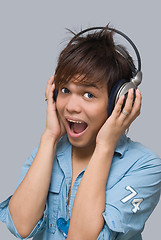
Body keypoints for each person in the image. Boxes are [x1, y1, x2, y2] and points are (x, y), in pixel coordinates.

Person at [0, 25, 161, 240]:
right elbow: (21, 225)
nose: (71, 106)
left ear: (118, 101)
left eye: (88, 94)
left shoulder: (146, 166)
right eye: (65, 90)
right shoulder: (48, 150)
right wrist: (49, 137)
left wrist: (105, 146)